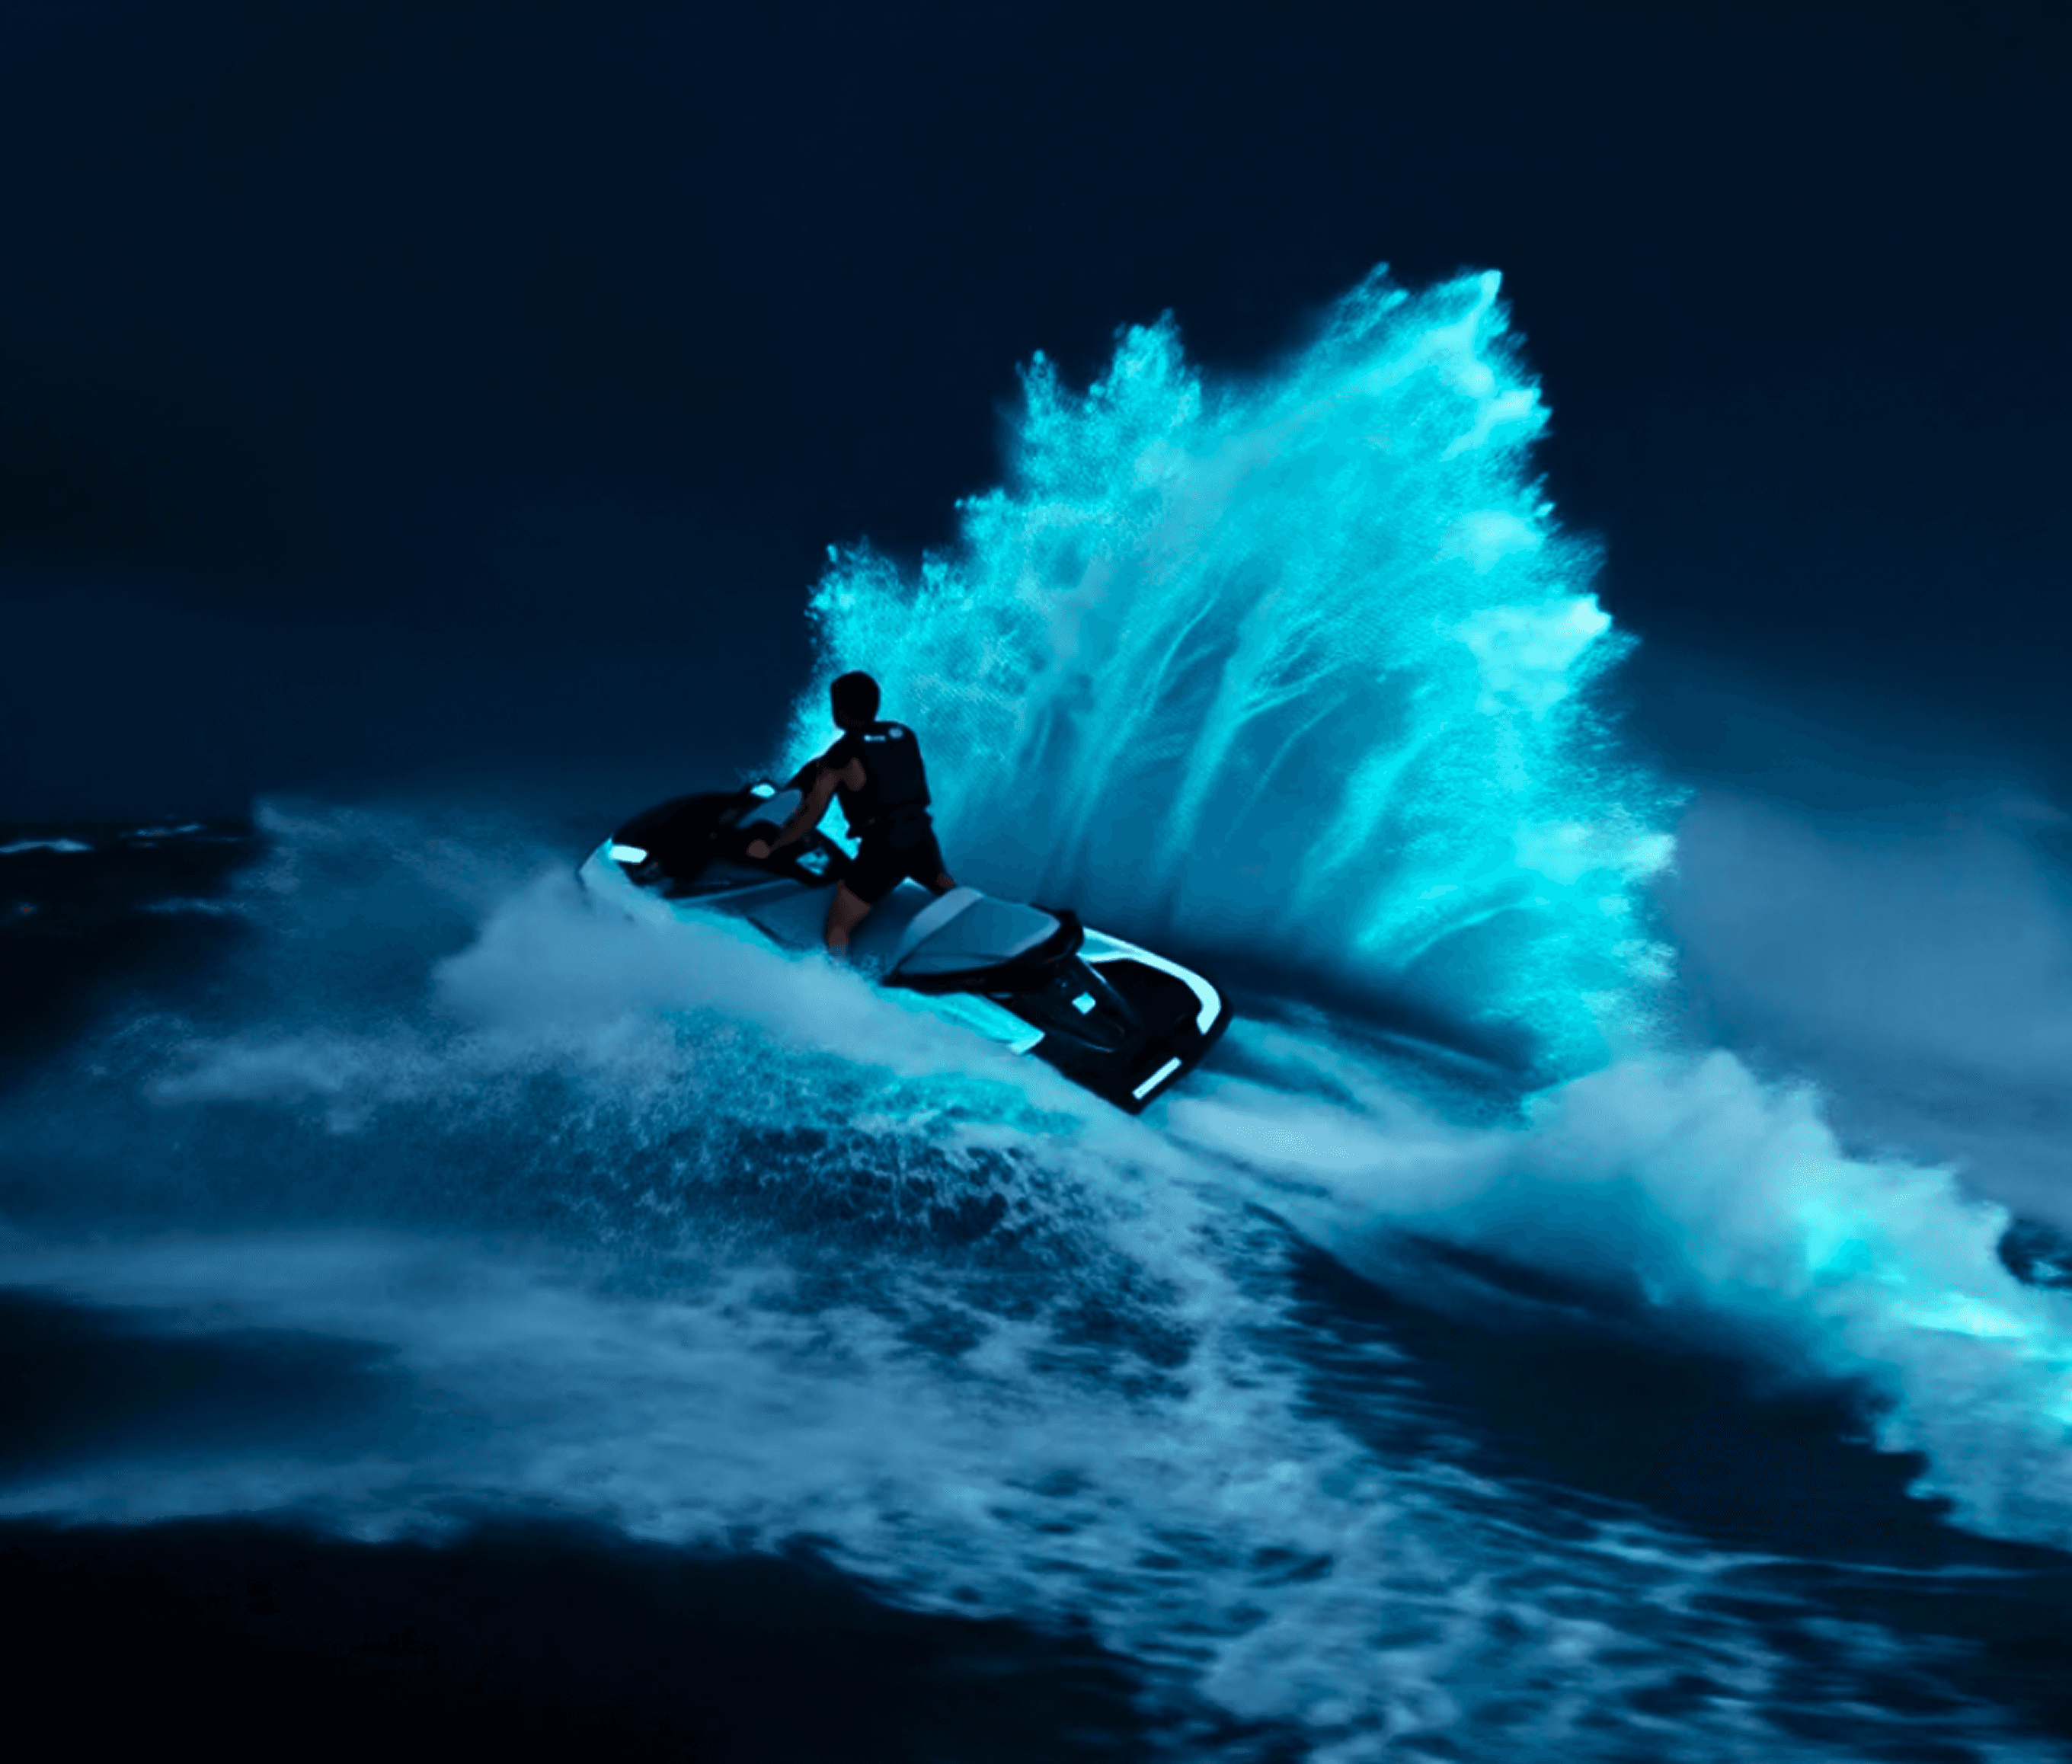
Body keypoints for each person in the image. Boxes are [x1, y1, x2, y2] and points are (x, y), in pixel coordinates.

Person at [747, 671, 957, 952]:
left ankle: (839, 988)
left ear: (840, 711)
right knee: (946, 889)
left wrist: (772, 846)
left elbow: (810, 817)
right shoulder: (903, 734)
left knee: (837, 928)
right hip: (922, 836)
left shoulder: (839, 757)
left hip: (885, 849)